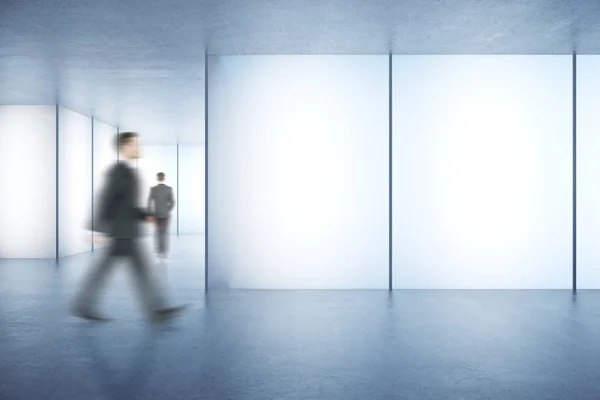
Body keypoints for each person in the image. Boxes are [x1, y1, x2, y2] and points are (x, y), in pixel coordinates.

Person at [71, 132, 186, 322]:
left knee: (126, 270)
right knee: (133, 271)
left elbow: (127, 205)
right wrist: (97, 229)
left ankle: (84, 305)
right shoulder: (118, 171)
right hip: (121, 232)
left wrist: (146, 216)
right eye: (133, 144)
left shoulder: (128, 171)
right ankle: (156, 310)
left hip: (126, 232)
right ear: (124, 147)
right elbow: (106, 198)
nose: (137, 147)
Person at [147, 172, 175, 259]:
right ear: (164, 178)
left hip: (156, 213)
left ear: (157, 178)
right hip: (165, 214)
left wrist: (150, 213)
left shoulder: (153, 189)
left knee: (158, 232)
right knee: (164, 232)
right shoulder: (169, 189)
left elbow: (149, 202)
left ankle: (159, 250)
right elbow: (172, 202)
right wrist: (168, 209)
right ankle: (164, 251)